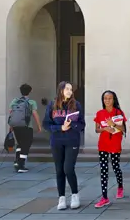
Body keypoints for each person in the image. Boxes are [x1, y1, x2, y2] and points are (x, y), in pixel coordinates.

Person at [42, 81, 86, 210]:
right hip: (57, 141)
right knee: (59, 170)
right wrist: (60, 127)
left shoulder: (76, 105)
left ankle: (74, 195)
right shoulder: (52, 105)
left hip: (72, 141)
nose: (69, 91)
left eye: (71, 89)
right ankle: (61, 198)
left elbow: (82, 125)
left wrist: (72, 125)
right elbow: (46, 124)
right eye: (67, 89)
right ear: (61, 90)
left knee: (68, 169)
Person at [93, 90, 127, 208]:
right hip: (103, 144)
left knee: (115, 166)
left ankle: (120, 186)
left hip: (115, 144)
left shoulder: (118, 112)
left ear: (114, 99)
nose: (107, 100)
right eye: (105, 98)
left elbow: (123, 128)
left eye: (110, 98)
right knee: (103, 170)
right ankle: (104, 197)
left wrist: (112, 124)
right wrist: (104, 129)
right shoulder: (100, 113)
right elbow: (97, 129)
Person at [8, 83, 42, 173]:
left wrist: (11, 126)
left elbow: (11, 114)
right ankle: (21, 165)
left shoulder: (14, 101)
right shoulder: (31, 102)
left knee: (19, 143)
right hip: (27, 126)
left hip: (16, 126)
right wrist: (39, 126)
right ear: (30, 91)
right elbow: (35, 114)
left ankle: (17, 161)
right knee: (26, 144)